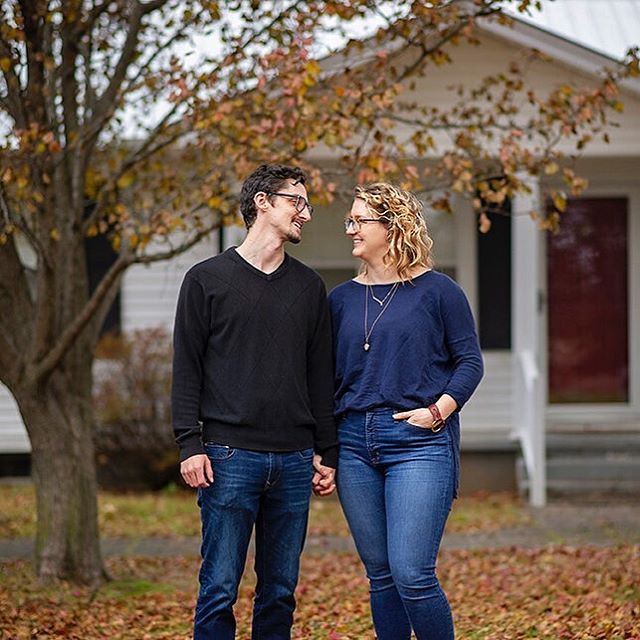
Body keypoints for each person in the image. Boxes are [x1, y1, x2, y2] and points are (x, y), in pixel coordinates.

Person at [171, 163, 338, 640]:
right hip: (227, 457)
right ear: (262, 202)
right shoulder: (206, 280)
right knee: (219, 588)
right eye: (296, 201)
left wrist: (327, 451)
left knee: (280, 591)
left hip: (293, 460)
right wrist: (189, 444)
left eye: (306, 204)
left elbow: (319, 376)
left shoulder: (309, 288)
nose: (305, 213)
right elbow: (187, 368)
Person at [328, 182, 483, 640]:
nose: (350, 230)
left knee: (412, 573)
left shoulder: (438, 291)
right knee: (381, 575)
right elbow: (324, 379)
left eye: (359, 221)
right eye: (349, 221)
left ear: (391, 225)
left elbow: (469, 362)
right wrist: (325, 447)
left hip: (419, 443)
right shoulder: (337, 300)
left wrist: (439, 411)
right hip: (354, 445)